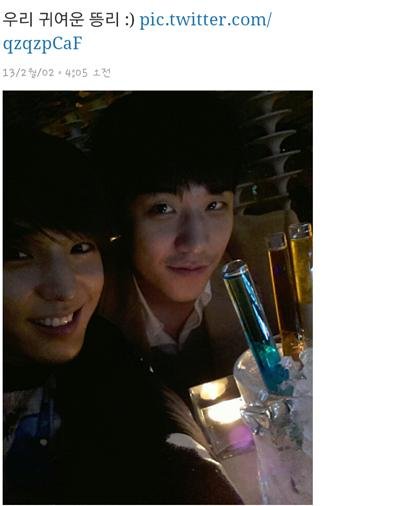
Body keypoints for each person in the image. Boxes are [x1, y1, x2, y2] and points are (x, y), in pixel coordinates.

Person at [3, 128, 242, 504]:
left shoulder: (102, 350)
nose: (64, 289)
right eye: (18, 255)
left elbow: (159, 433)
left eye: (81, 248)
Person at [92, 92, 299, 399]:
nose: (196, 243)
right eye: (163, 209)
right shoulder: (86, 298)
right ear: (120, 217)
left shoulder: (274, 254)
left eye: (214, 206)